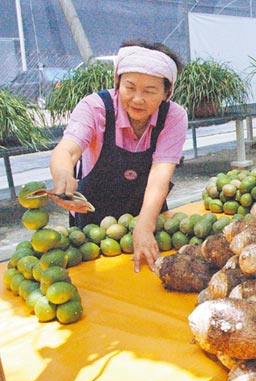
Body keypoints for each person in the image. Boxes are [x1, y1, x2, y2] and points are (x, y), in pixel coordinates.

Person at [49, 39, 188, 273]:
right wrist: (63, 174)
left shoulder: (174, 116)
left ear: (167, 92)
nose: (137, 99)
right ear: (117, 83)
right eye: (129, 87)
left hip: (147, 215)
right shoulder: (95, 108)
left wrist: (144, 226)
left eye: (150, 91)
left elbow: (159, 177)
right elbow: (67, 150)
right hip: (95, 226)